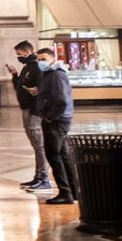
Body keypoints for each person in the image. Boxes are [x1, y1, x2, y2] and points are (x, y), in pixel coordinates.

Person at [33, 47, 79, 205]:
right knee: (62, 155)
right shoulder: (52, 74)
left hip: (57, 121)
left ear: (52, 59)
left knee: (54, 155)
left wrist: (50, 117)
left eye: (43, 59)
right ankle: (72, 190)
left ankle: (65, 192)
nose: (40, 62)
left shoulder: (55, 75)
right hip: (60, 119)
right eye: (38, 59)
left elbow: (61, 100)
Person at [6, 40, 49, 192]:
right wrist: (15, 75)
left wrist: (36, 108)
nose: (18, 57)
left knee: (39, 145)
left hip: (34, 111)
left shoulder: (37, 68)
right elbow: (21, 87)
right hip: (26, 109)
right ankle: (38, 176)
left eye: (19, 54)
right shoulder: (27, 68)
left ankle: (43, 178)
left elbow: (41, 90)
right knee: (35, 145)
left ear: (26, 51)